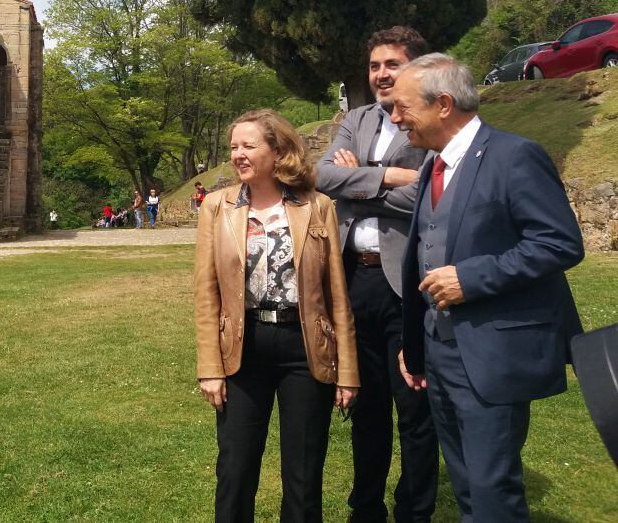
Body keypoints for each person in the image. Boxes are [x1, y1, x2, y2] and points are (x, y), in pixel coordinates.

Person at [391, 54, 584, 522]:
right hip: (439, 354)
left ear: (442, 104)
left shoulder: (515, 156)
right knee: (466, 485)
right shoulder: (431, 167)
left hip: (491, 353)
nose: (394, 119)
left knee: (492, 486)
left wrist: (472, 278)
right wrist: (416, 345)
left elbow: (560, 243)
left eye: (401, 107)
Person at [195, 109, 359, 522]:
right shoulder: (217, 207)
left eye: (248, 145)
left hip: (305, 351)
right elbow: (206, 293)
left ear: (279, 151)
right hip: (241, 349)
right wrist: (209, 366)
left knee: (304, 477)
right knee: (235, 468)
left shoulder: (317, 206)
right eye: (233, 146)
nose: (237, 154)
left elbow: (336, 294)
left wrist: (348, 371)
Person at [316, 27, 438, 523]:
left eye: (393, 64)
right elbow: (323, 176)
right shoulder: (358, 118)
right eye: (374, 66)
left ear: (416, 68)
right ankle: (364, 510)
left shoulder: (431, 119)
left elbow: (430, 192)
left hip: (407, 283)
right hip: (352, 281)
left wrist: (357, 182)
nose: (382, 74)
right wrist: (390, 174)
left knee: (414, 411)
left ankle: (414, 511)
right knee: (364, 409)